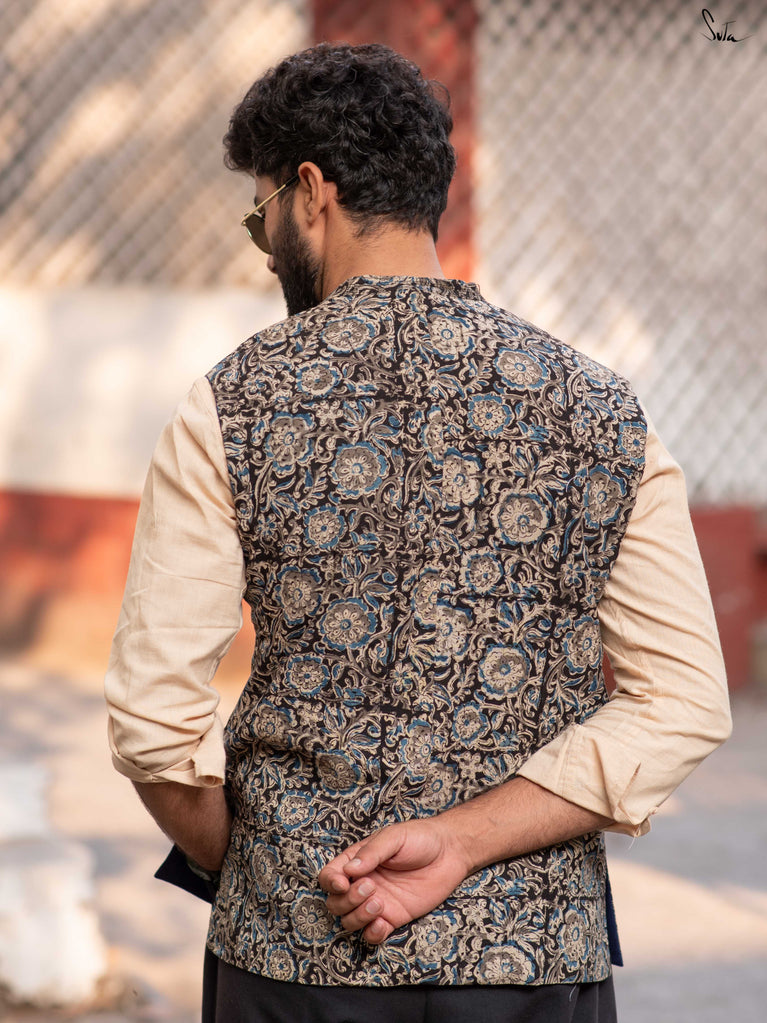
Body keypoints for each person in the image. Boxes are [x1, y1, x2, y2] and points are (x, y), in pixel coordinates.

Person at [105, 42, 731, 1023]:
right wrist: (467, 840)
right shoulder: (598, 408)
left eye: (260, 214)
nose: (263, 245)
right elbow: (682, 704)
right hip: (533, 960)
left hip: (293, 958)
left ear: (310, 192)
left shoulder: (231, 404)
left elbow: (154, 728)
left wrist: (263, 863)